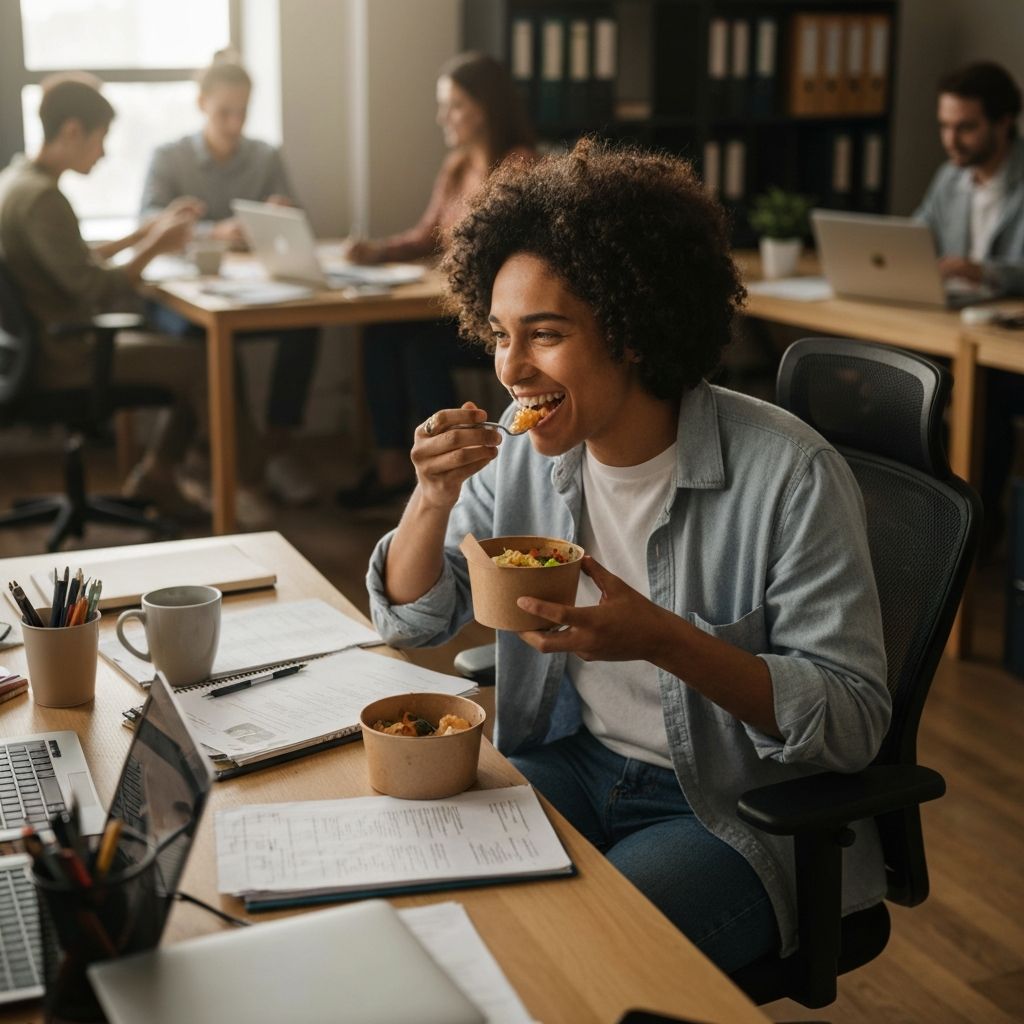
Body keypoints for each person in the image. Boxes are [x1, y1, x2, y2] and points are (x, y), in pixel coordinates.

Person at [365, 139, 891, 973]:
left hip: (727, 808)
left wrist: (662, 638)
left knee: (572, 957)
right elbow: (415, 616)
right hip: (569, 760)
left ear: (635, 328)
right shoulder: (519, 457)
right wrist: (429, 499)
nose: (511, 368)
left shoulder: (789, 474)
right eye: (500, 335)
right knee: (425, 896)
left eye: (545, 335)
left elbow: (854, 722)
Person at [0, 73, 219, 520]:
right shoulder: (42, 199)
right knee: (204, 361)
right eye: (101, 139)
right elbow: (94, 287)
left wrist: (142, 234)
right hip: (66, 355)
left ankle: (159, 474)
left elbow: (71, 258)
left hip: (32, 349)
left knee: (193, 352)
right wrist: (155, 246)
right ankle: (227, 487)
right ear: (73, 131)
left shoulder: (16, 181)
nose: (103, 153)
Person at [335, 51, 535, 508]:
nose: (443, 116)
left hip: (492, 321)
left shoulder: (520, 166)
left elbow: (512, 252)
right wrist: (378, 250)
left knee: (420, 347)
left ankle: (456, 472)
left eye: (454, 105)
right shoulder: (458, 166)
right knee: (382, 332)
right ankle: (391, 468)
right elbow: (429, 236)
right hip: (448, 307)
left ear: (485, 108)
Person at [140, 51, 320, 506]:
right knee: (208, 343)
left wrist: (279, 216)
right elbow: (146, 221)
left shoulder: (265, 155)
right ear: (201, 104)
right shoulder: (170, 156)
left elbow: (295, 219)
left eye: (243, 112)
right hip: (179, 295)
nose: (235, 122)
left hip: (252, 287)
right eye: (225, 112)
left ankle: (275, 445)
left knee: (306, 325)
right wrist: (212, 232)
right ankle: (244, 468)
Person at [915, 61, 1024, 553]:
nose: (951, 140)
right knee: (890, 376)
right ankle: (916, 522)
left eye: (965, 127)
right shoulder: (949, 179)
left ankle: (973, 534)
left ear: (1004, 122)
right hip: (950, 323)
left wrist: (985, 271)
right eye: (944, 126)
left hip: (1005, 342)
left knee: (985, 397)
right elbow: (914, 238)